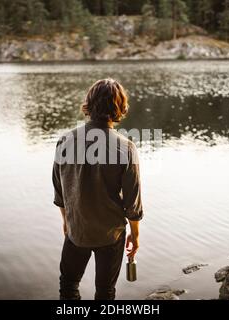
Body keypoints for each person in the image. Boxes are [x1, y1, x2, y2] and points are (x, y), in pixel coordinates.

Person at [52, 78, 143, 300]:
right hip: (111, 235)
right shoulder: (126, 148)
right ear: (119, 107)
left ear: (89, 104)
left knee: (69, 285)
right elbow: (133, 202)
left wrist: (67, 221)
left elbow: (59, 191)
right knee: (105, 291)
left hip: (76, 231)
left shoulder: (65, 141)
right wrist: (135, 234)